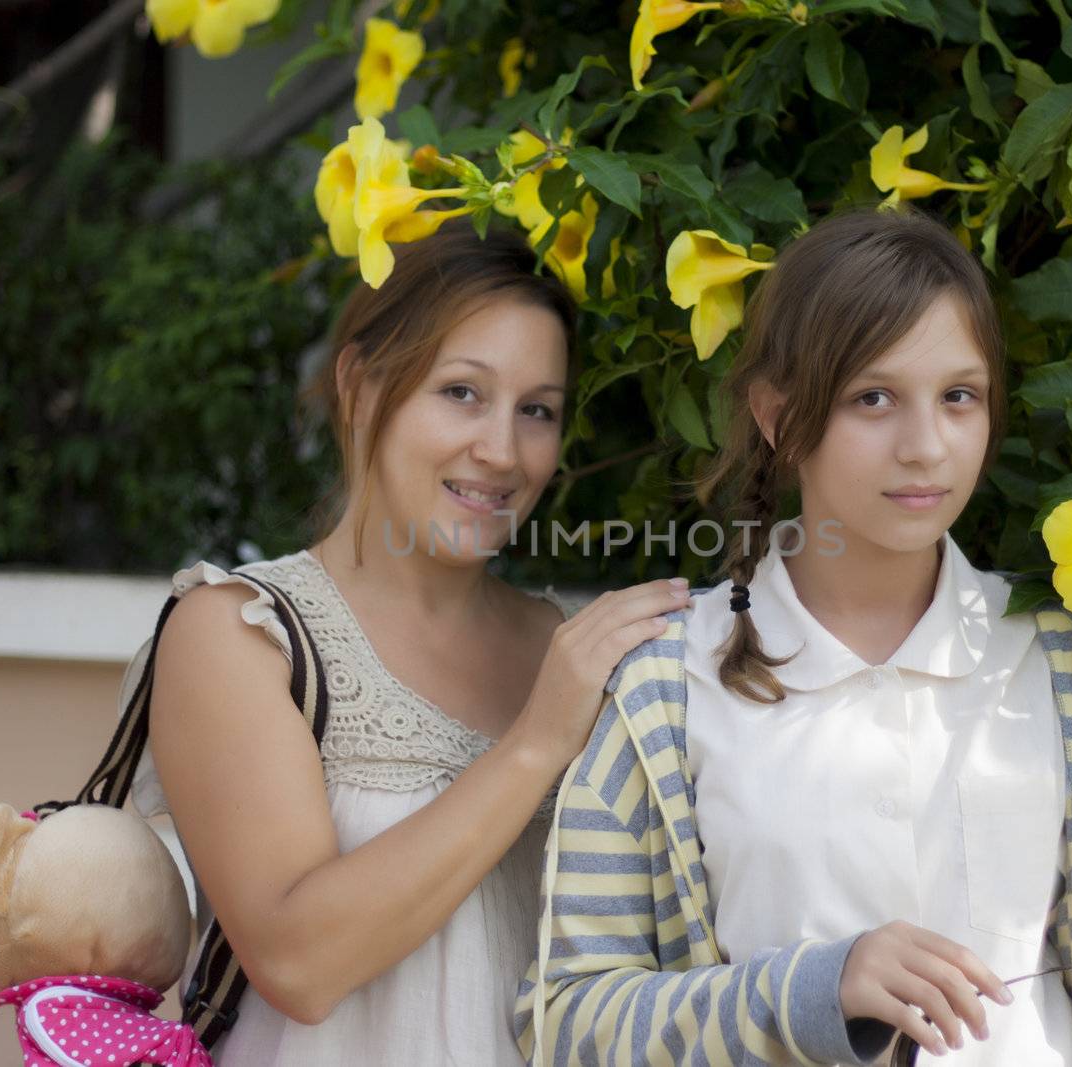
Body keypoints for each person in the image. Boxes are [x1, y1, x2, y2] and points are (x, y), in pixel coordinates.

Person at [515, 210, 1072, 1067]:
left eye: (958, 396)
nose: (926, 446)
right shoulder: (665, 686)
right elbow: (564, 1022)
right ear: (779, 417)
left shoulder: (1069, 664)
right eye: (874, 398)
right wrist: (816, 991)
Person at [135, 224, 692, 1065]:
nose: (501, 451)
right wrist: (537, 742)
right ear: (361, 387)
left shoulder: (571, 650)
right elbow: (298, 959)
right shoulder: (242, 632)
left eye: (536, 410)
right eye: (462, 393)